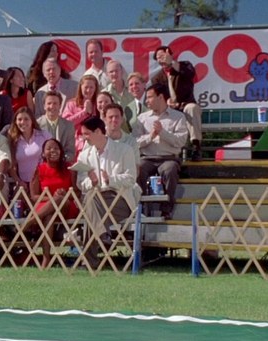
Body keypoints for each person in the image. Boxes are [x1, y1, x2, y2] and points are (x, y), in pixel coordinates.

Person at [76, 116, 139, 268]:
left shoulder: (124, 150)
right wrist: (92, 182)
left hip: (120, 199)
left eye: (87, 134)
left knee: (90, 206)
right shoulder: (84, 155)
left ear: (98, 131)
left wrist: (110, 179)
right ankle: (102, 235)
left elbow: (131, 178)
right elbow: (80, 183)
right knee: (91, 199)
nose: (84, 138)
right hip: (96, 198)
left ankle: (91, 257)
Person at [132, 83, 189, 220]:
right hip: (147, 157)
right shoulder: (142, 118)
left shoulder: (178, 117)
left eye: (150, 97)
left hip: (169, 157)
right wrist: (150, 136)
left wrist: (162, 133)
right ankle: (140, 208)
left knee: (170, 170)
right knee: (138, 169)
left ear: (161, 97)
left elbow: (181, 141)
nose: (147, 101)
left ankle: (166, 210)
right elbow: (135, 142)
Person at [26, 138, 77, 269]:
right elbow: (34, 196)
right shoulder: (39, 169)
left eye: (56, 148)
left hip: (66, 206)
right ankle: (46, 257)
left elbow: (77, 193)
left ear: (61, 151)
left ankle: (31, 221)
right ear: (43, 153)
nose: (53, 151)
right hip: (46, 207)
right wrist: (51, 198)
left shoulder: (70, 168)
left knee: (60, 199)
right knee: (49, 216)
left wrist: (65, 194)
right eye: (49, 148)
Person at [151, 45, 202, 161]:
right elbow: (159, 95)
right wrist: (166, 101)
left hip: (186, 104)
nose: (161, 59)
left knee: (192, 108)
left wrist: (172, 63)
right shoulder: (157, 78)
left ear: (170, 55)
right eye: (158, 58)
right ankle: (170, 153)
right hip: (170, 109)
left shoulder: (184, 66)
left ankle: (196, 147)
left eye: (163, 56)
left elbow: (190, 74)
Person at [6, 107, 51, 194]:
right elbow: (11, 166)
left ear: (32, 120)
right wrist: (19, 182)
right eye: (19, 119)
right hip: (23, 184)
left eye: (26, 119)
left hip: (43, 181)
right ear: (15, 122)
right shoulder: (13, 140)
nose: (23, 122)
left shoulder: (44, 135)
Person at [61, 74, 100, 156]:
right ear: (81, 87)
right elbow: (65, 123)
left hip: (95, 145)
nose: (88, 90)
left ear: (95, 88)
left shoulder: (98, 104)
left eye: (91, 87)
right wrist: (84, 112)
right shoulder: (71, 104)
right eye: (86, 87)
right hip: (76, 145)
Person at [36, 90, 76, 161]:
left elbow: (71, 152)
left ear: (60, 106)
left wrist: (60, 161)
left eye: (55, 103)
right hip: (42, 164)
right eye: (49, 103)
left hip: (62, 163)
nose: (52, 106)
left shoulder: (69, 126)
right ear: (44, 106)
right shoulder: (36, 125)